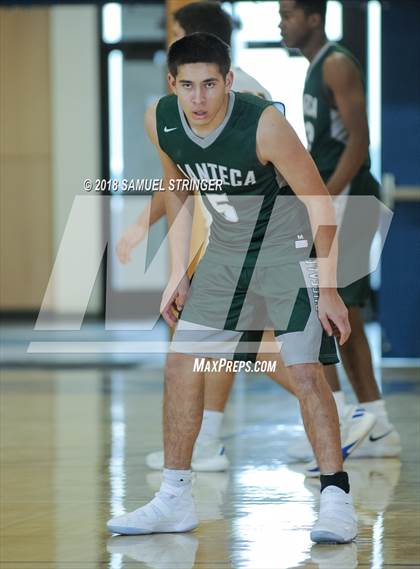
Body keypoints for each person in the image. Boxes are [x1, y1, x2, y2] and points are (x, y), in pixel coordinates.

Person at [108, 32, 358, 543]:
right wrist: (177, 271)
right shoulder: (162, 119)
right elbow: (178, 186)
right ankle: (174, 497)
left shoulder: (265, 124)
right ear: (172, 83)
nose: (198, 99)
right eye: (187, 86)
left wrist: (329, 288)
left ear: (228, 81)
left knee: (303, 369)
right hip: (225, 254)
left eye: (209, 85)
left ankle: (336, 499)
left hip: (289, 249)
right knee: (181, 363)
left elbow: (320, 205)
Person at [279, 0, 401, 460]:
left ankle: (354, 423)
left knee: (334, 309)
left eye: (288, 13)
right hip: (338, 200)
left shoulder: (336, 65)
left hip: (351, 199)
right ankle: (373, 425)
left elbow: (359, 140)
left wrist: (323, 197)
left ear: (313, 18)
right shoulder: (315, 68)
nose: (280, 21)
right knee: (335, 311)